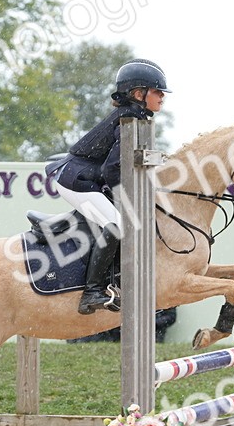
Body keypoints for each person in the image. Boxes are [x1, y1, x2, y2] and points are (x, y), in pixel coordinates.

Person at [46, 59, 169, 314]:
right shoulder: (129, 119)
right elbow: (111, 169)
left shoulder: (139, 118)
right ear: (138, 93)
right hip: (75, 180)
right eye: (157, 91)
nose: (162, 97)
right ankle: (91, 292)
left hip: (88, 177)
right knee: (117, 225)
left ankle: (115, 280)